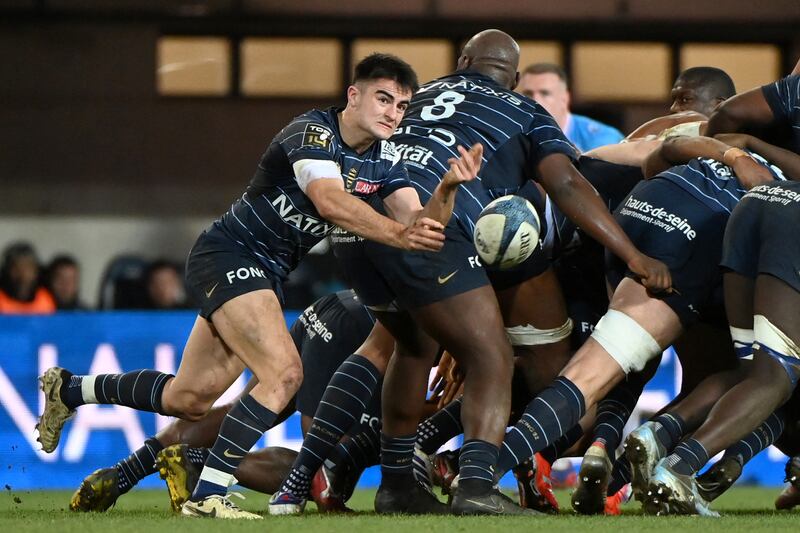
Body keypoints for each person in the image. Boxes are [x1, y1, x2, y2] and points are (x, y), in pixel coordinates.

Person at [36, 53, 481, 520]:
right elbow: (330, 202)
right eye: (383, 98)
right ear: (354, 95)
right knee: (285, 375)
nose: (393, 112)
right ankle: (209, 495)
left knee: (189, 398)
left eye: (402, 105)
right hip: (230, 255)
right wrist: (398, 234)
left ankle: (70, 389)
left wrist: (446, 189)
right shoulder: (312, 133)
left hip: (264, 273)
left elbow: (419, 226)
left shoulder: (386, 159)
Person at [270, 29, 672, 517]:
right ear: (516, 79)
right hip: (432, 226)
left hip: (362, 227)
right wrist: (632, 254)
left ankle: (396, 484)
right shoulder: (523, 111)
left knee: (409, 344)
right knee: (491, 356)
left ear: (462, 61)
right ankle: (477, 485)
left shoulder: (418, 95)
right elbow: (567, 181)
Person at [492, 134, 783, 507]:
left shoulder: (732, 128)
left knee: (626, 363)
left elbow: (660, 155)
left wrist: (735, 155)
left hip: (638, 212)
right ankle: (478, 472)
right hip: (696, 236)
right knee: (754, 376)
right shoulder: (784, 174)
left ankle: (611, 469)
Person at [69, 290, 377, 513]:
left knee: (239, 410)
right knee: (327, 470)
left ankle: (125, 473)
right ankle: (198, 461)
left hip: (337, 304)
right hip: (355, 329)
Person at [644, 179, 800, 517]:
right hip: (792, 223)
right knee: (776, 376)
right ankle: (680, 467)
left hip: (754, 203)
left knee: (749, 374)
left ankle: (660, 431)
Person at [517, 63, 623, 151]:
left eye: (545, 93)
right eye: (528, 94)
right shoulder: (514, 134)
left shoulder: (602, 138)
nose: (535, 100)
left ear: (564, 99)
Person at [0, 241, 56, 314]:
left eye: (28, 268)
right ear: (6, 271)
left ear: (36, 271)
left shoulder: (45, 299)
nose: (23, 275)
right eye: (16, 268)